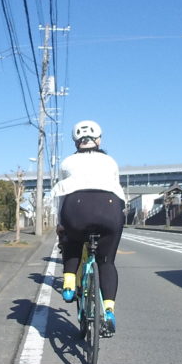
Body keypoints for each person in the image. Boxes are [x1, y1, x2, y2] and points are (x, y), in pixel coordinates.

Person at [52, 120, 125, 336]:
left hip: (77, 207)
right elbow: (118, 192)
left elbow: (61, 195)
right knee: (106, 262)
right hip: (110, 210)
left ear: (76, 142)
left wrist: (60, 223)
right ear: (99, 140)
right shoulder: (110, 161)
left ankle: (68, 282)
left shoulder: (66, 163)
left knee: (71, 240)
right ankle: (109, 311)